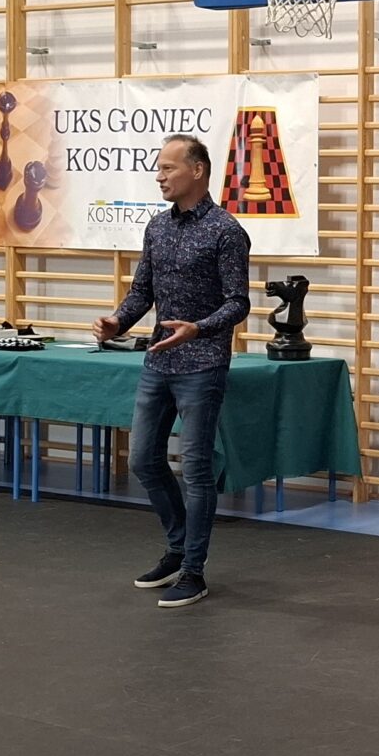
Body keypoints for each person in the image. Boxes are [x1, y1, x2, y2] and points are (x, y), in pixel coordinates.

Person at [95, 134, 252, 609]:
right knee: (143, 459)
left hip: (202, 363)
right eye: (158, 168)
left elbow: (238, 303)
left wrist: (198, 329)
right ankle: (179, 547)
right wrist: (118, 321)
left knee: (197, 470)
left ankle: (193, 572)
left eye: (168, 168)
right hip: (158, 361)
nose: (159, 176)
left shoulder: (226, 231)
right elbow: (142, 290)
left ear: (197, 170)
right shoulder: (157, 227)